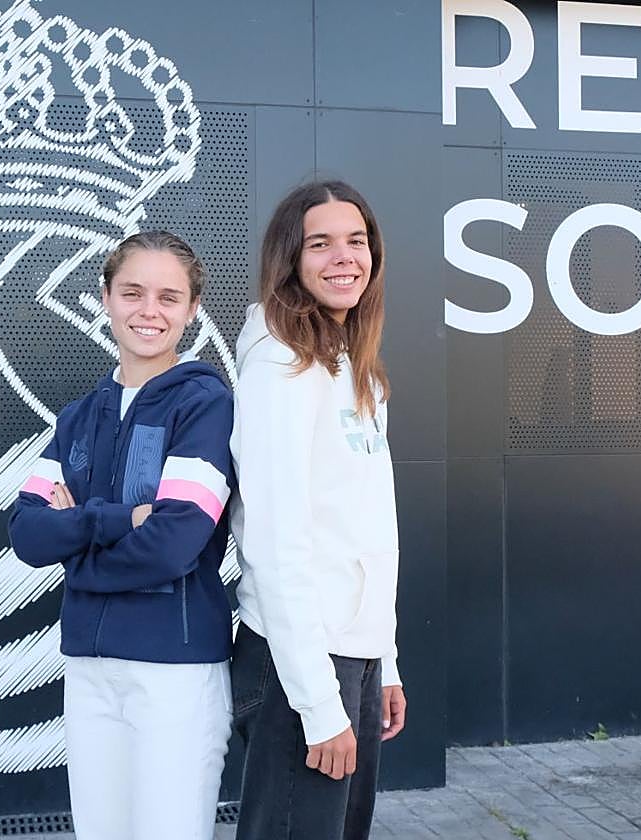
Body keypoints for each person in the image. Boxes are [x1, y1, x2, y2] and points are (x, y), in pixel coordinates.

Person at [8, 231, 234, 840]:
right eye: (132, 292)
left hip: (174, 671)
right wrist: (113, 519)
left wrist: (78, 555)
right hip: (89, 669)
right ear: (105, 298)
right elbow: (28, 534)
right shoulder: (78, 417)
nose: (149, 311)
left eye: (168, 297)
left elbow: (174, 542)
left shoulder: (205, 406)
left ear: (191, 309)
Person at [229, 181, 407, 840]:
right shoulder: (281, 366)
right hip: (298, 663)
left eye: (356, 241)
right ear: (291, 260)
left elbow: (366, 527)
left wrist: (383, 660)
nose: (344, 258)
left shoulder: (353, 365)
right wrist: (317, 702)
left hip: (350, 656)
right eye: (320, 244)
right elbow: (274, 542)